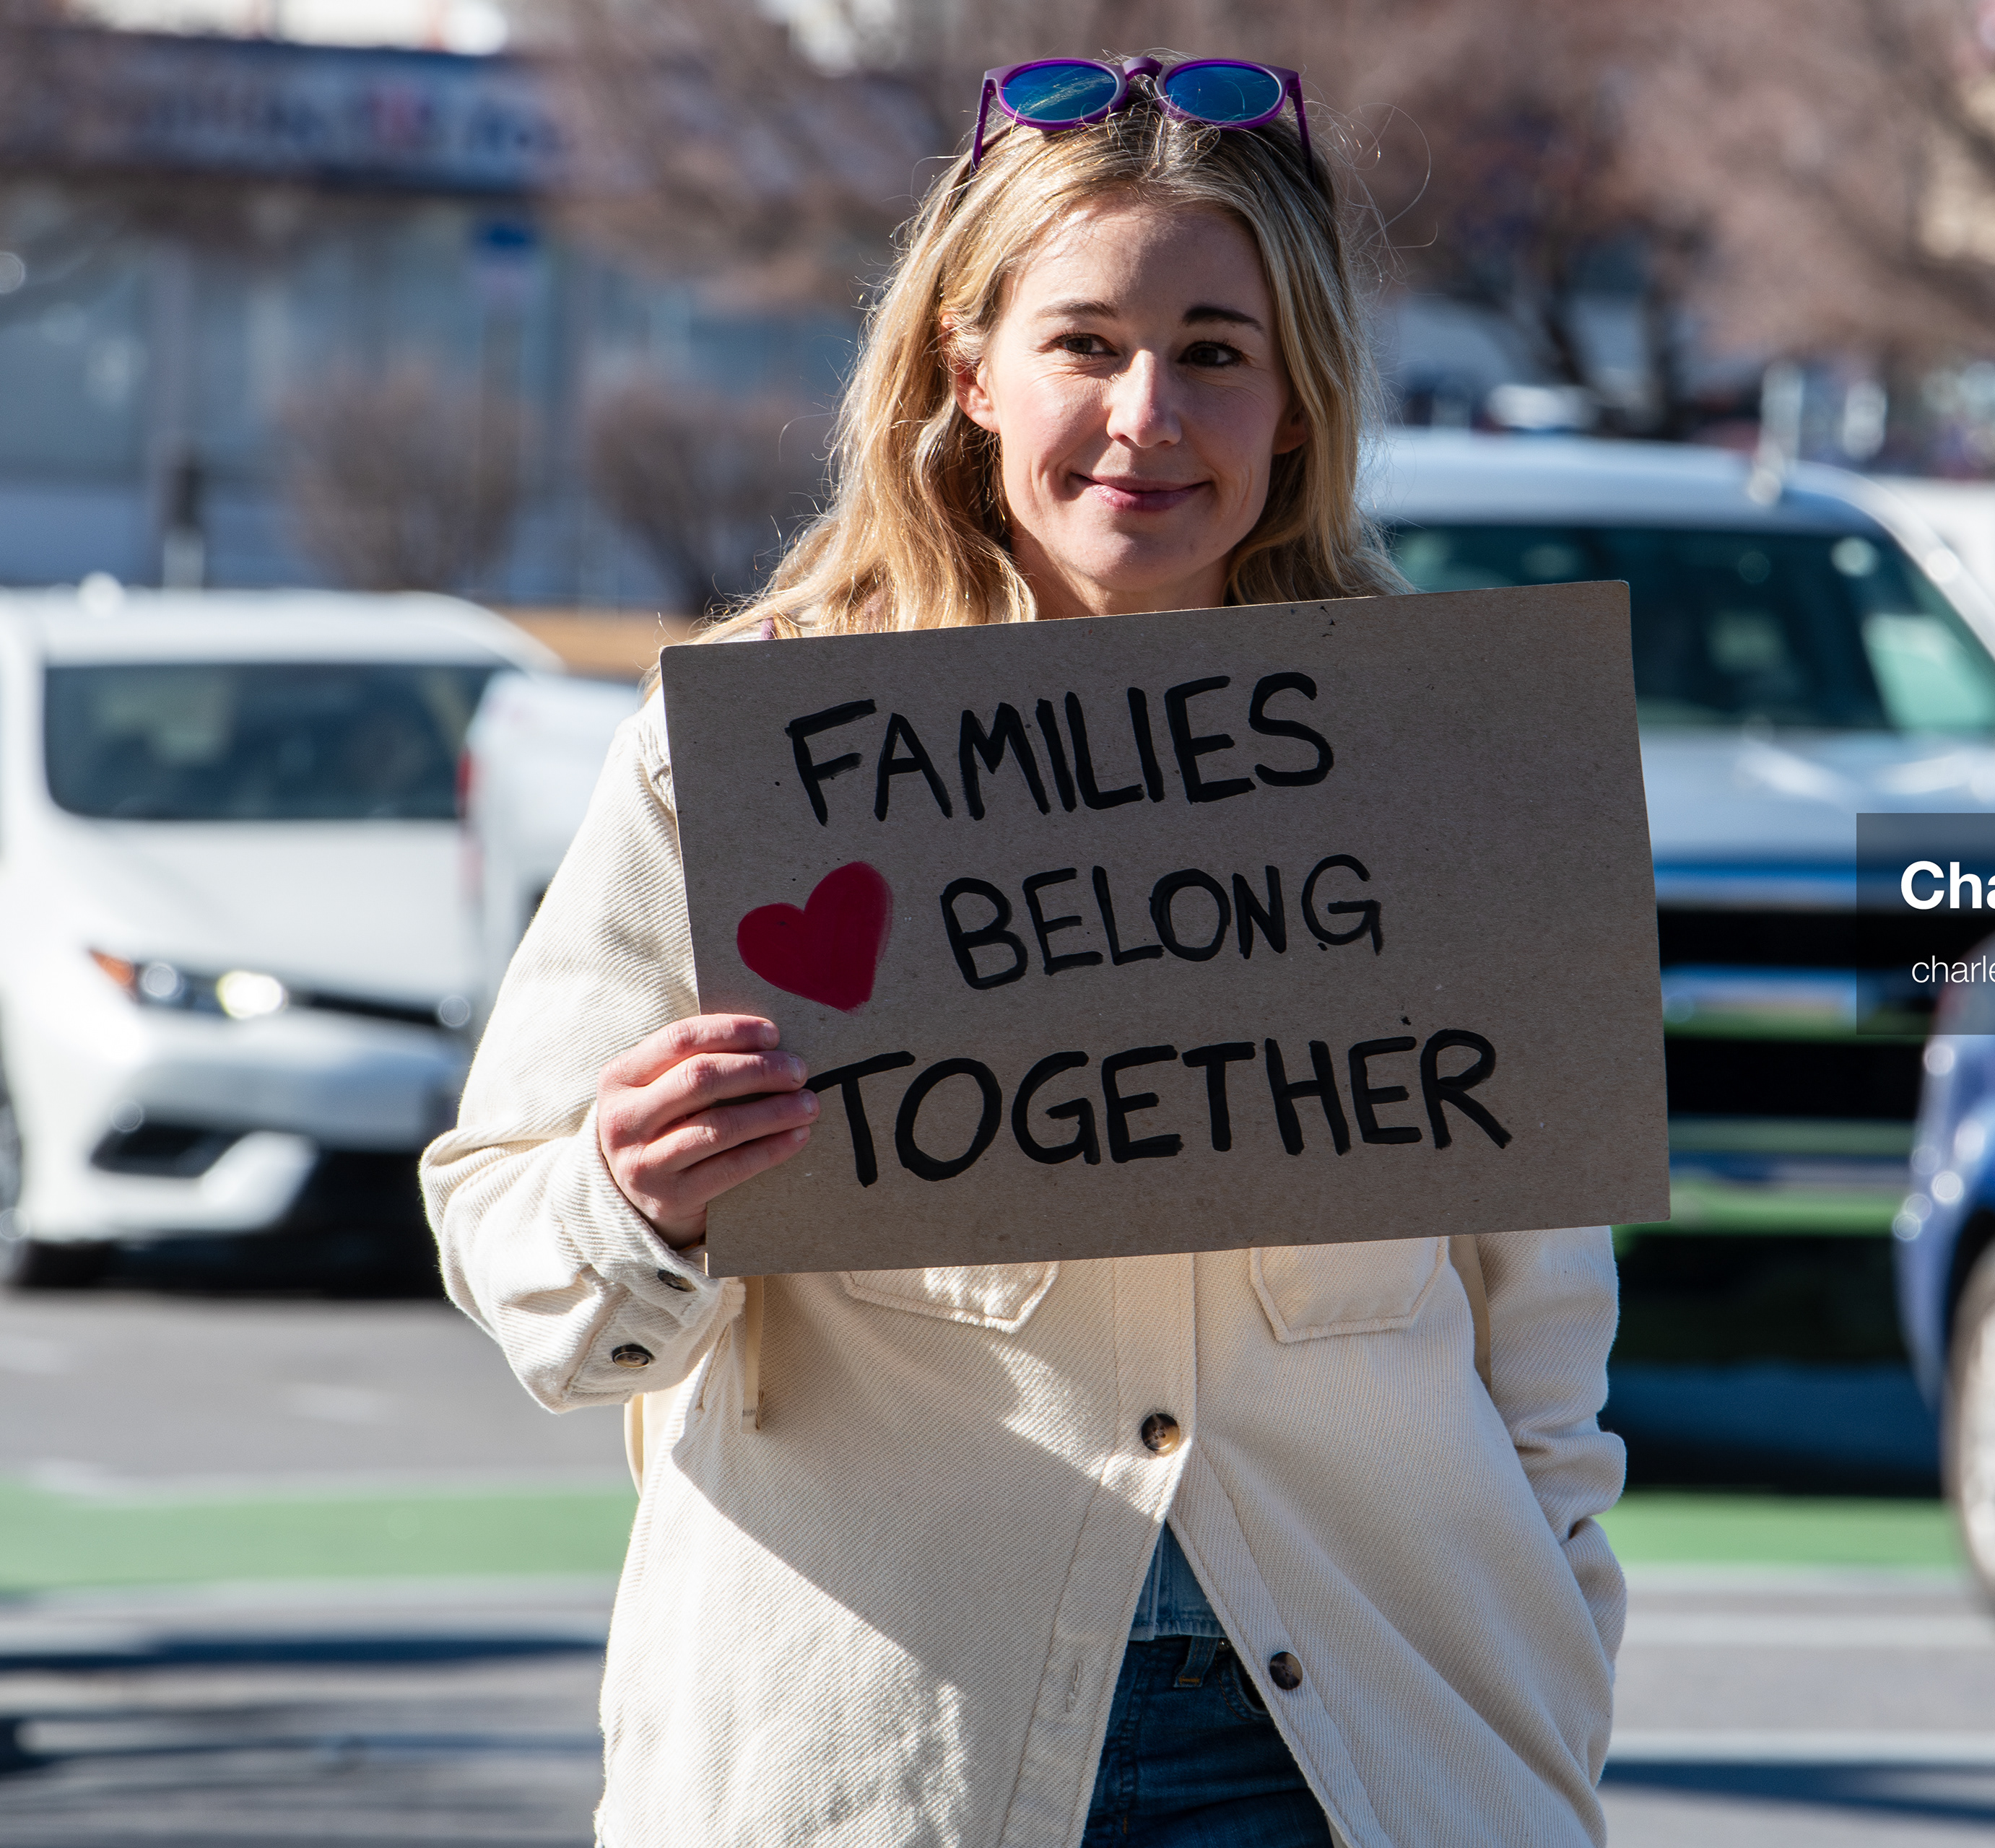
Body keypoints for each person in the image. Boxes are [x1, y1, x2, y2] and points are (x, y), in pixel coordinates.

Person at [423, 54, 1626, 1848]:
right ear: (966, 365)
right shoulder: (749, 749)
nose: (1149, 413)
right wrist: (632, 1193)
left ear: (1296, 400)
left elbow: (1543, 1346)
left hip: (1361, 1751)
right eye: (1087, 343)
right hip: (891, 1753)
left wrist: (1555, 1647)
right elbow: (511, 1231)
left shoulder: (1441, 766)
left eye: (1215, 349)